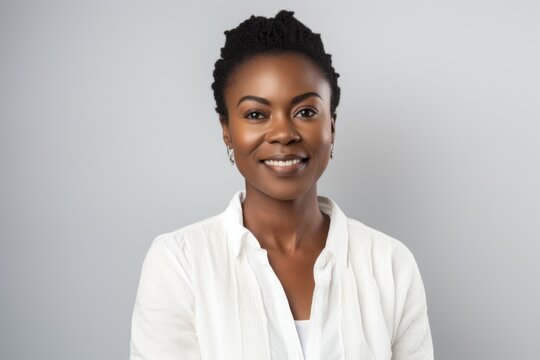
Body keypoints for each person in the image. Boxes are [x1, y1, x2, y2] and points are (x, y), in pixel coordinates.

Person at [130, 9, 434, 360]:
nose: (284, 134)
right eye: (256, 114)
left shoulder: (390, 265)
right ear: (227, 131)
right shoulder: (179, 263)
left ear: (332, 126)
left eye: (305, 112)